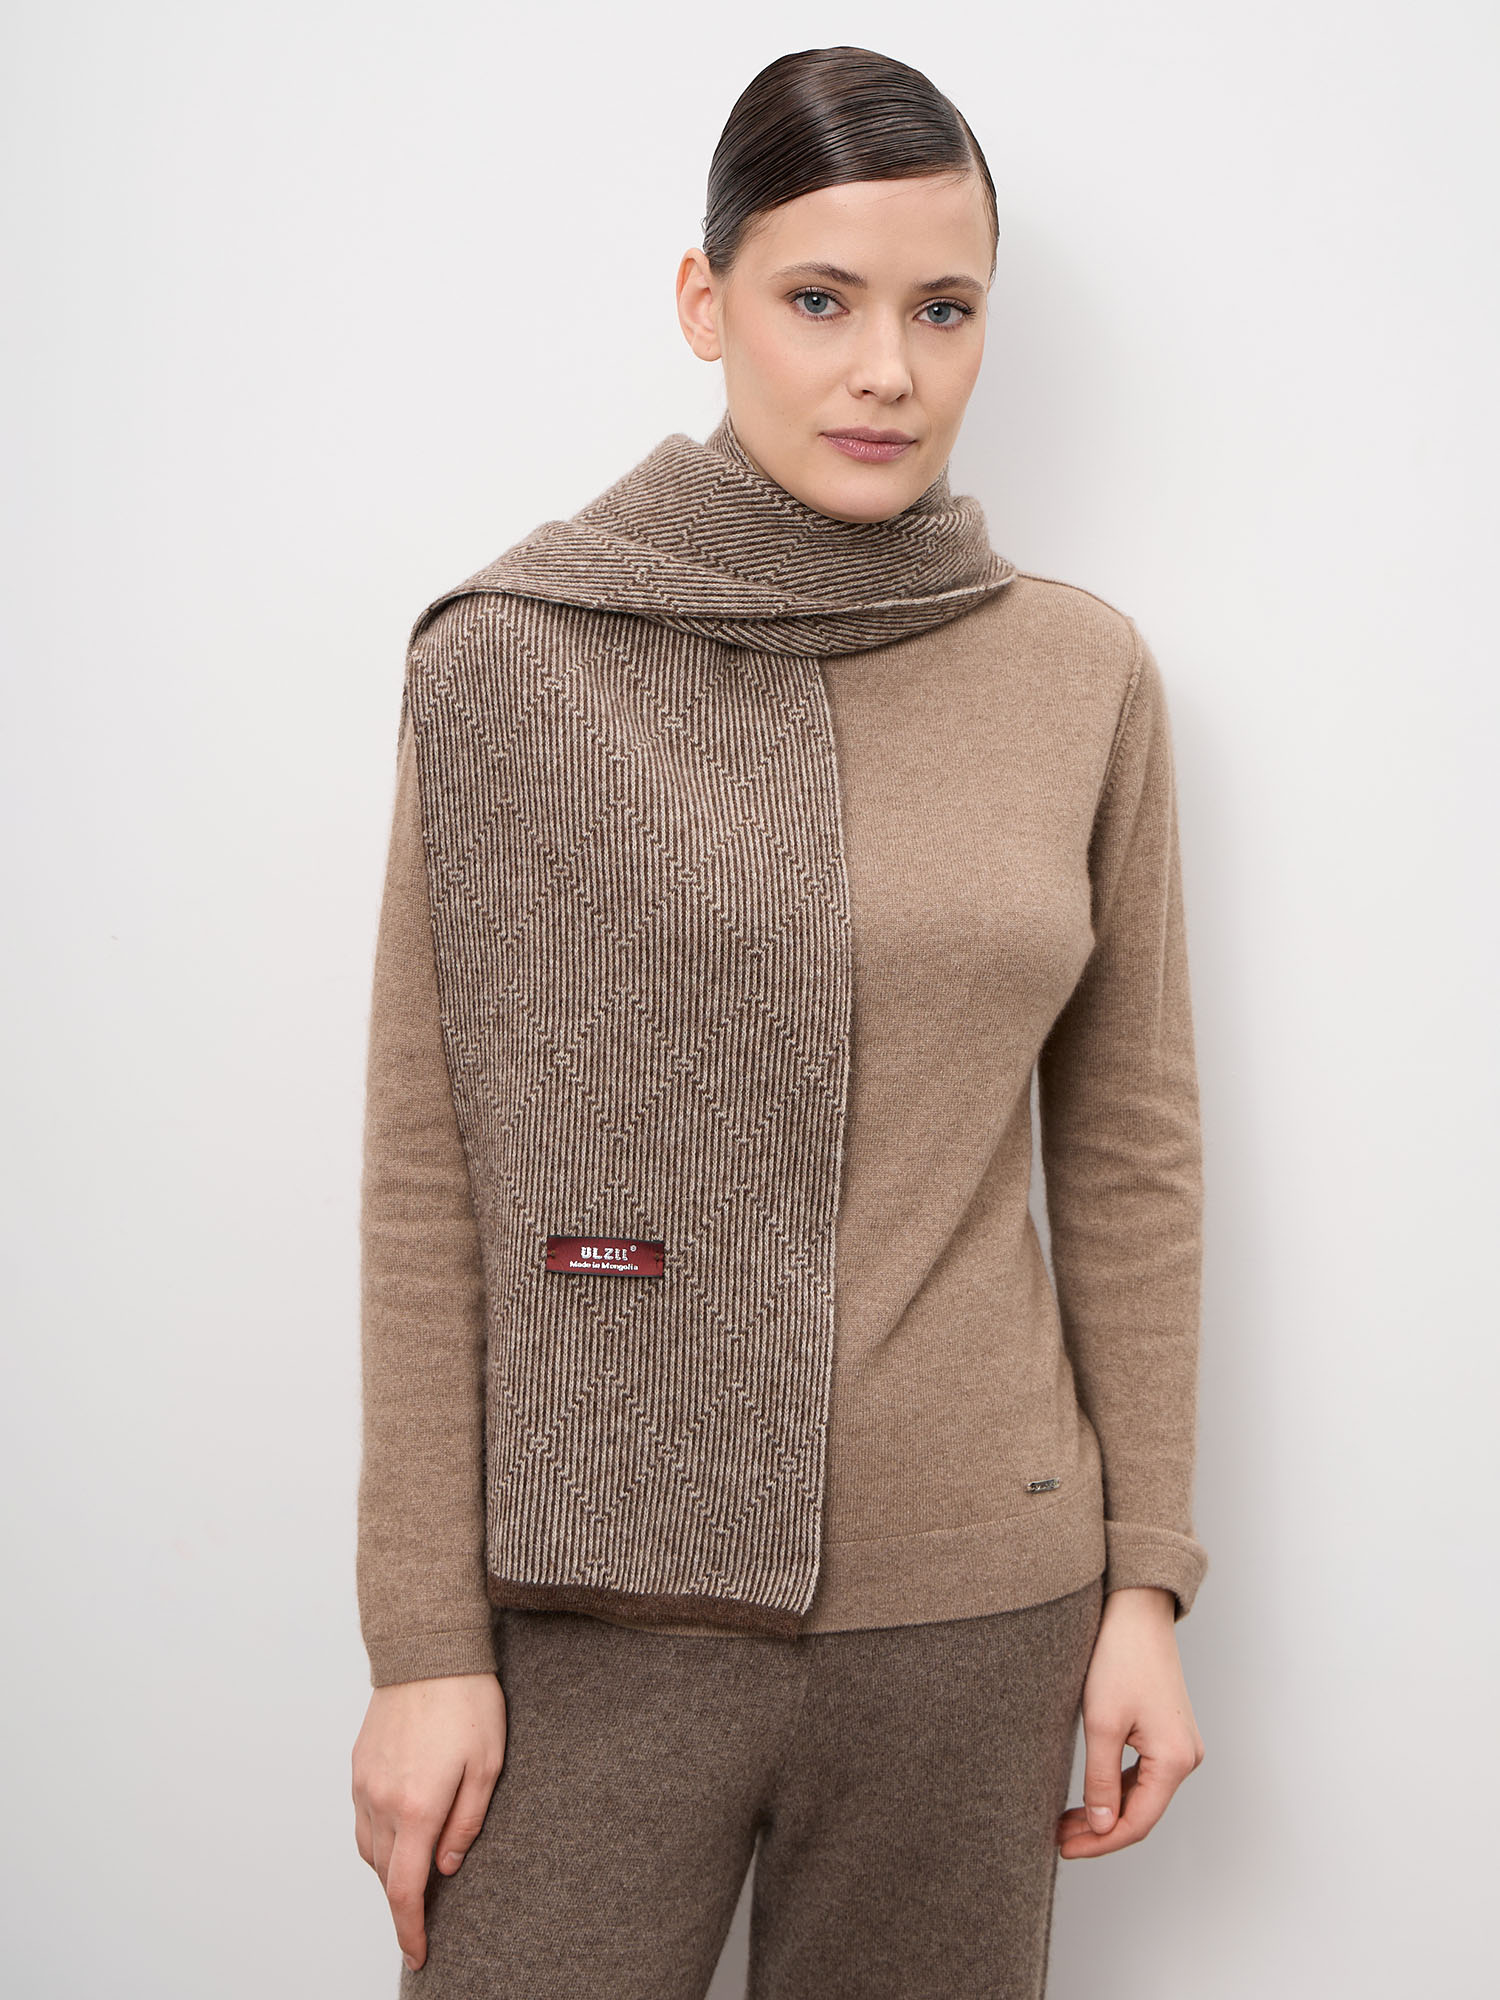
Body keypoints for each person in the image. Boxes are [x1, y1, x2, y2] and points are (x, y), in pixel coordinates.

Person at [350, 43, 1208, 2000]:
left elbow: (1132, 1154)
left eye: (943, 309)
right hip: (592, 1612)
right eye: (821, 299)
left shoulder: (1079, 674)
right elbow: (429, 1170)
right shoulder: (514, 660)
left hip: (981, 1605)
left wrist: (1147, 1580)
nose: (885, 369)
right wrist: (423, 1642)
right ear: (704, 298)